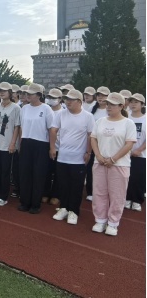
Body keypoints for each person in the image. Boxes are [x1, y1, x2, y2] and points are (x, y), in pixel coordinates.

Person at [91, 92, 136, 236]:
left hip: (119, 164)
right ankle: (100, 219)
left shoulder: (128, 123)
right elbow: (93, 138)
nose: (109, 106)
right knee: (99, 192)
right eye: (108, 104)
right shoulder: (100, 121)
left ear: (122, 106)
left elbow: (129, 144)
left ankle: (113, 222)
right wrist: (98, 155)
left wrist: (113, 159)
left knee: (117, 195)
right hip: (100, 163)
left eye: (113, 104)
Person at [50, 90, 95, 225]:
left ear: (79, 102)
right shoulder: (61, 114)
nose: (68, 102)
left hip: (79, 158)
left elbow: (90, 135)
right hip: (62, 156)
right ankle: (63, 208)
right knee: (63, 184)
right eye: (66, 99)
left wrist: (88, 152)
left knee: (76, 186)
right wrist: (52, 147)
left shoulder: (88, 116)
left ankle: (74, 211)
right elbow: (53, 130)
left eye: (71, 99)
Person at [18, 83, 54, 214]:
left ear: (39, 95)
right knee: (25, 173)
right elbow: (21, 127)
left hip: (41, 144)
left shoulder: (46, 109)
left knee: (38, 174)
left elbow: (51, 129)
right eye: (26, 93)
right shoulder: (24, 108)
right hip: (26, 143)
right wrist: (20, 143)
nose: (27, 95)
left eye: (30, 94)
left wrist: (51, 147)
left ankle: (35, 204)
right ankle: (25, 202)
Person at [86, 86, 110, 201]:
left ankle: (103, 192)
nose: (101, 98)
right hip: (93, 142)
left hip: (106, 143)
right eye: (99, 95)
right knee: (91, 168)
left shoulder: (110, 109)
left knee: (104, 169)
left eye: (104, 96)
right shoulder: (92, 108)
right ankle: (90, 192)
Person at [125, 93, 146, 212]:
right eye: (131, 102)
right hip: (125, 154)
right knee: (126, 177)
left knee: (139, 178)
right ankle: (127, 198)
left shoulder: (145, 119)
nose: (133, 104)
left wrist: (139, 150)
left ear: (142, 104)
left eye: (136, 102)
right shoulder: (126, 117)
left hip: (141, 155)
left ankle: (137, 200)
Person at [43, 88, 64, 205]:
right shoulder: (46, 110)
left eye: (54, 98)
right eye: (50, 97)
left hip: (60, 146)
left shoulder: (63, 112)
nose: (51, 100)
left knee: (58, 172)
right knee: (46, 170)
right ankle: (45, 192)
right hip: (46, 145)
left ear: (60, 99)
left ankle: (56, 194)